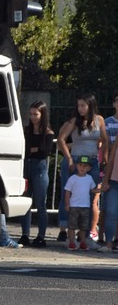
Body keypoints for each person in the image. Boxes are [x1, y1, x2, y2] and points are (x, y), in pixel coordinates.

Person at [56, 93, 108, 249]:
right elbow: (61, 139)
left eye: (83, 105)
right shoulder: (75, 121)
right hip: (75, 160)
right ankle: (65, 231)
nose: (80, 108)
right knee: (68, 193)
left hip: (92, 161)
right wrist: (69, 158)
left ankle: (85, 235)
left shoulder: (99, 120)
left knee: (92, 197)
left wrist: (104, 159)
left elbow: (104, 140)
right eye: (78, 105)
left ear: (90, 106)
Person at [19, 100, 54, 248]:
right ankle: (25, 234)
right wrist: (34, 150)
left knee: (40, 203)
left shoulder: (48, 132)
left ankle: (41, 236)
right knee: (26, 201)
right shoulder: (27, 130)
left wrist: (34, 150)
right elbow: (26, 149)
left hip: (40, 167)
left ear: (42, 114)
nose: (33, 117)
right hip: (27, 166)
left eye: (36, 114)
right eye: (31, 114)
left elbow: (45, 152)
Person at [64, 156, 102, 250]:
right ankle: (72, 242)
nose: (82, 167)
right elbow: (67, 191)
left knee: (83, 227)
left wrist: (101, 189)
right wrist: (67, 204)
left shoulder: (89, 178)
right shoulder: (72, 178)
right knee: (72, 226)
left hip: (85, 206)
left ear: (89, 168)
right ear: (76, 166)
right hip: (74, 206)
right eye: (80, 165)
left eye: (85, 166)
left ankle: (83, 243)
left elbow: (93, 190)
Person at [98, 93, 118, 246]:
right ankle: (105, 239)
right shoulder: (108, 122)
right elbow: (106, 145)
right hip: (112, 171)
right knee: (108, 209)